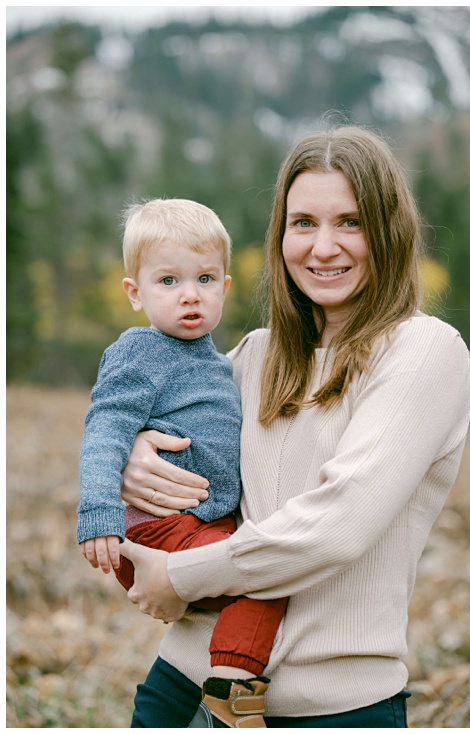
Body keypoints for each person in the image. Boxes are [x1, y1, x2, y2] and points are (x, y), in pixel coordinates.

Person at [114, 125, 470, 728]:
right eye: (303, 223)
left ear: (388, 230)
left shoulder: (423, 352)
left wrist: (182, 574)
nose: (323, 247)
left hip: (330, 707)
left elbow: (338, 524)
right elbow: (147, 421)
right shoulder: (255, 354)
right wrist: (134, 451)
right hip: (180, 685)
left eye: (350, 222)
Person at [76, 198, 287, 728]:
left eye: (205, 278)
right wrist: (98, 514)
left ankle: (228, 681)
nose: (190, 294)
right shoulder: (139, 351)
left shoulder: (220, 363)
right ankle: (233, 687)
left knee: (259, 574)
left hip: (199, 523)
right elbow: (104, 432)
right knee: (261, 576)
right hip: (159, 527)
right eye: (168, 281)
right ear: (135, 293)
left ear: (225, 287)